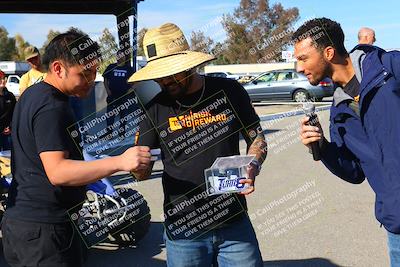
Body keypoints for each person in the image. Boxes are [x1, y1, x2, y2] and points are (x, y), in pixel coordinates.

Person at [2, 29, 151, 267]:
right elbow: (58, 171)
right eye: (86, 73)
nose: (92, 81)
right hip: (46, 232)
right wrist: (119, 162)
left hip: (22, 226)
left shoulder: (32, 95)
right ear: (59, 69)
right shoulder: (52, 106)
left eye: (94, 72)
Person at [130, 22, 267, 267]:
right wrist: (135, 162)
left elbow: (256, 137)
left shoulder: (229, 91)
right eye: (159, 75)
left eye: (171, 72)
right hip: (184, 231)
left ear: (190, 65)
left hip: (233, 224)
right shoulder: (154, 107)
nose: (165, 81)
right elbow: (142, 174)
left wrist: (253, 162)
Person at [294, 17, 400, 266]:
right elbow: (354, 172)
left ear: (328, 52)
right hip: (397, 226)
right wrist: (320, 147)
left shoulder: (390, 68)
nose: (299, 67)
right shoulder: (339, 112)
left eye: (303, 58)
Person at [103, 49, 134, 134]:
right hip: (112, 96)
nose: (120, 57)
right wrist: (108, 91)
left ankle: (122, 132)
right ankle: (109, 133)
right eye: (119, 55)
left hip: (124, 96)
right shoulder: (111, 67)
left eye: (122, 55)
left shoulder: (129, 69)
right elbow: (105, 79)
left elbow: (135, 81)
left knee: (123, 115)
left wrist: (130, 90)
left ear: (125, 57)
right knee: (110, 116)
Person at [0, 70, 16, 151]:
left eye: (3, 78)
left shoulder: (10, 96)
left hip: (8, 133)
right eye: (0, 79)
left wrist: (10, 127)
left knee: (8, 157)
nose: (3, 81)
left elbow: (15, 114)